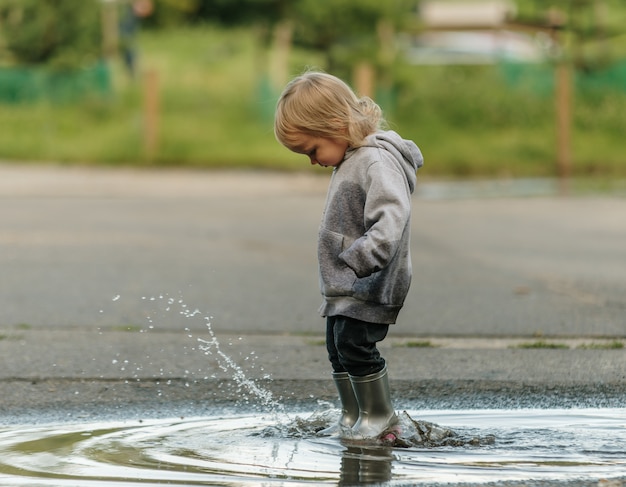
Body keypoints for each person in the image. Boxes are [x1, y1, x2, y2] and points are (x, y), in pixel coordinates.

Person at [274, 71, 423, 440]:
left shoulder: (376, 161)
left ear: (337, 125)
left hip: (368, 280)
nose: (312, 161)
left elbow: (392, 216)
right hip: (346, 285)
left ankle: (381, 419)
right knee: (337, 348)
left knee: (355, 345)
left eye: (311, 150)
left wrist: (362, 258)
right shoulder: (351, 158)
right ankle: (353, 415)